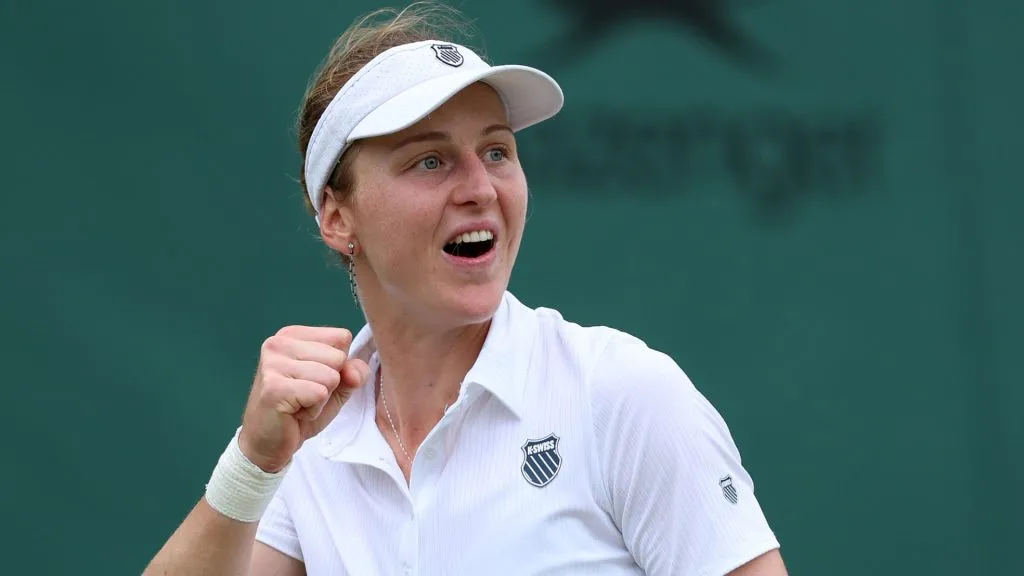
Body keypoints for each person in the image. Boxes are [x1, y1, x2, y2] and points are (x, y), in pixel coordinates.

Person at [144, 2, 786, 575]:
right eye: (430, 160)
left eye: (498, 151)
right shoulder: (312, 441)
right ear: (338, 218)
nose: (481, 187)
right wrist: (253, 465)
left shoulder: (622, 395)